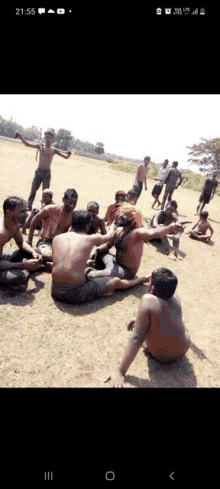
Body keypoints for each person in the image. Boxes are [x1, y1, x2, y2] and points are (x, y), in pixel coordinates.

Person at [104, 268, 191, 387]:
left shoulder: (148, 300)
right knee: (152, 318)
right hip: (184, 347)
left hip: (162, 356)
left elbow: (136, 338)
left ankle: (146, 340)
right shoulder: (176, 298)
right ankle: (142, 323)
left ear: (152, 288)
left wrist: (120, 371)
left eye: (150, 281)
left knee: (139, 315)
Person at [51, 210, 150, 304]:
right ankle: (140, 280)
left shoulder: (57, 239)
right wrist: (112, 226)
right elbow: (110, 235)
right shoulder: (90, 239)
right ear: (87, 226)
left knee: (88, 269)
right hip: (76, 293)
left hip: (55, 290)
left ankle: (101, 289)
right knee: (115, 281)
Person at [88, 203, 187, 280]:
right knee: (93, 250)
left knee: (92, 275)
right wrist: (97, 249)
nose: (121, 216)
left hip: (126, 271)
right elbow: (108, 245)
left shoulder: (137, 233)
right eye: (122, 213)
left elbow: (152, 232)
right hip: (114, 262)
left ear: (132, 219)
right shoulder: (119, 230)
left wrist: (171, 228)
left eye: (125, 215)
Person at [16, 131, 72, 210]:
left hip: (47, 173)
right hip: (38, 171)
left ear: (52, 139)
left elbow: (66, 157)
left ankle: (45, 206)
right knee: (33, 190)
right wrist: (20, 136)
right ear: (44, 138)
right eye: (47, 137)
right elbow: (27, 144)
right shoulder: (40, 146)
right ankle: (29, 205)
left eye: (50, 138)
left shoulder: (53, 150)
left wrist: (69, 155)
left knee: (46, 192)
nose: (48, 139)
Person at [0, 196, 44, 291]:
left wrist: (33, 252)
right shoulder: (1, 233)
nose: (27, 215)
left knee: (37, 251)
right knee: (18, 277)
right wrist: (22, 264)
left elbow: (21, 242)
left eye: (26, 211)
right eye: (22, 212)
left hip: (2, 259)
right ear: (9, 212)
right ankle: (23, 273)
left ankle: (24, 271)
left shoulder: (14, 224)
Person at [27, 189, 78, 262]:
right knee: (48, 254)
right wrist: (29, 241)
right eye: (69, 203)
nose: (71, 206)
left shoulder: (73, 216)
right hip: (45, 243)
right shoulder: (51, 209)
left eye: (74, 204)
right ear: (63, 200)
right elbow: (35, 220)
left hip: (61, 245)